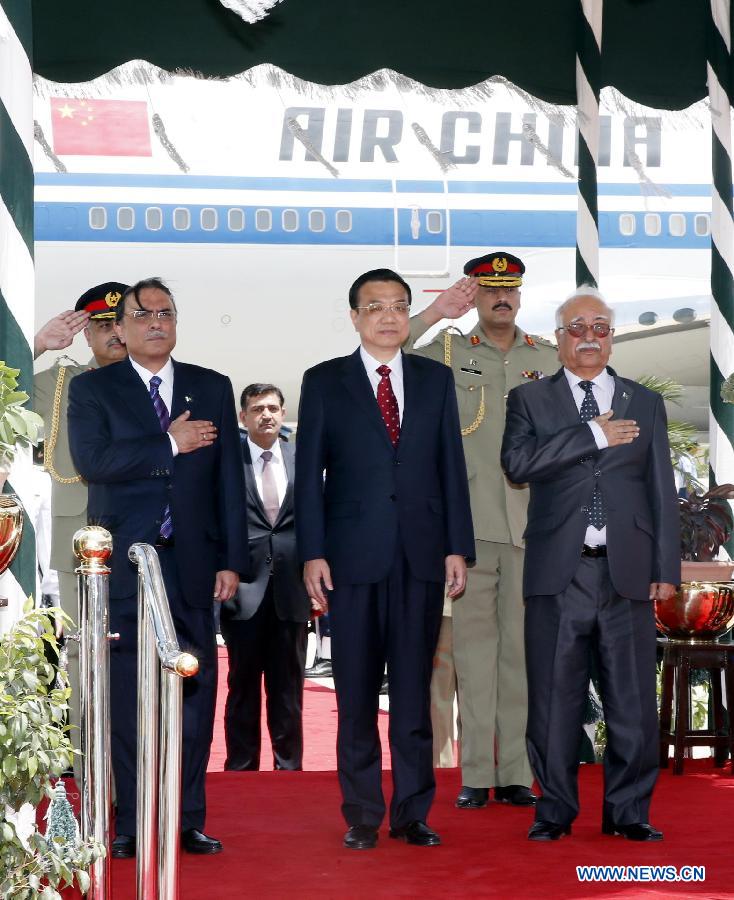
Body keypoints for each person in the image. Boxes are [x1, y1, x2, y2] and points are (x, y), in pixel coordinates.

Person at [67, 277, 249, 857]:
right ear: (119, 328)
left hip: (193, 565)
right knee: (124, 695)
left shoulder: (211, 386)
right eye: (142, 314)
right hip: (123, 566)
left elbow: (227, 480)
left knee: (194, 692)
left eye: (165, 313)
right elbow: (93, 462)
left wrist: (231, 561)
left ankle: (187, 814)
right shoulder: (94, 389)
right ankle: (128, 820)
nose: (155, 323)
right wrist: (168, 444)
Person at [295, 268, 474, 851]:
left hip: (421, 556)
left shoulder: (434, 379)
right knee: (355, 690)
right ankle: (363, 813)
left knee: (415, 694)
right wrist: (312, 554)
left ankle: (413, 812)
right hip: (350, 559)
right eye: (375, 307)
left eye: (399, 304)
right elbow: (309, 479)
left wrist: (457, 546)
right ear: (355, 316)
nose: (389, 315)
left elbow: (451, 467)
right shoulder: (324, 382)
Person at [501, 286, 679, 842]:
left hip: (627, 573)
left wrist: (666, 569)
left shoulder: (643, 402)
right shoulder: (530, 401)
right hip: (560, 571)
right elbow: (518, 464)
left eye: (599, 327)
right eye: (576, 328)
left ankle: (629, 813)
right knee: (555, 699)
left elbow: (659, 488)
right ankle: (554, 812)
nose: (589, 338)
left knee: (631, 701)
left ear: (611, 336)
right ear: (558, 340)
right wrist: (591, 434)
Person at [404, 252, 557, 807]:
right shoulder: (446, 352)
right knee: (472, 655)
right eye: (490, 290)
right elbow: (388, 356)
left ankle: (514, 770)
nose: (501, 299)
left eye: (509, 290)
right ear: (476, 296)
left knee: (519, 654)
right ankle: (475, 776)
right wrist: (436, 314)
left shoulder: (547, 355)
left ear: (520, 295)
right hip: (468, 529)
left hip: (532, 526)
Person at [33, 281, 129, 755]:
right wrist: (34, 344)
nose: (114, 333)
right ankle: (89, 766)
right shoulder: (58, 385)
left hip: (149, 536)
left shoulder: (165, 382)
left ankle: (139, 768)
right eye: (101, 324)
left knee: (146, 652)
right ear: (86, 334)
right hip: (79, 535)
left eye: (121, 321)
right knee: (80, 651)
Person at [220, 383, 311, 771]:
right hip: (243, 589)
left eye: (273, 407)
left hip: (292, 590)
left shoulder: (301, 457)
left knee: (288, 689)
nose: (266, 415)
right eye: (257, 409)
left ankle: (289, 771)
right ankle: (241, 768)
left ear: (283, 411)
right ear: (243, 417)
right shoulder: (228, 461)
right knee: (241, 687)